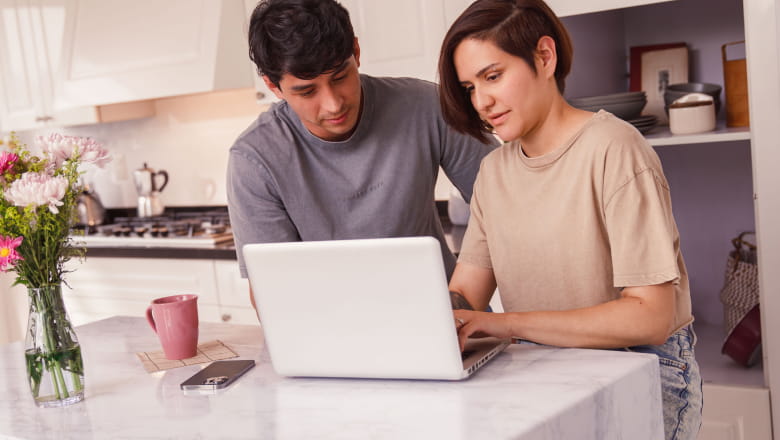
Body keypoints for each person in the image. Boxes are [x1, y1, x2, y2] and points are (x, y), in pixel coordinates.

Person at [437, 1, 702, 439]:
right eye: (469, 87)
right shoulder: (494, 171)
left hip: (642, 368)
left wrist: (505, 323)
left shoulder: (615, 148)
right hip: (544, 369)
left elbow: (650, 317)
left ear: (544, 57)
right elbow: (467, 294)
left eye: (493, 76)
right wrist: (427, 315)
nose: (481, 101)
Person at [227, 0, 498, 307]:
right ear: (273, 86)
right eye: (307, 91)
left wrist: (462, 309)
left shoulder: (428, 106)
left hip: (451, 314)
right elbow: (273, 291)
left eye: (340, 77)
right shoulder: (254, 160)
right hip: (335, 327)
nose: (333, 104)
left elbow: (507, 204)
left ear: (356, 51)